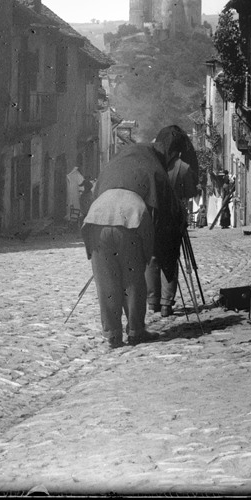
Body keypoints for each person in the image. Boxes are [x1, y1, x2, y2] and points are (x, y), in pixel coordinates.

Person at [80, 132, 185, 349]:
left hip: (95, 220)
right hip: (131, 221)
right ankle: (136, 331)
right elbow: (147, 244)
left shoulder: (114, 170)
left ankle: (112, 335)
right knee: (133, 283)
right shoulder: (145, 184)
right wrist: (145, 257)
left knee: (106, 283)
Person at [146, 125, 199, 317]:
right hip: (173, 220)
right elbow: (191, 193)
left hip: (153, 219)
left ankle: (153, 302)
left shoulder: (154, 165)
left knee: (152, 258)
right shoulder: (183, 168)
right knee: (170, 259)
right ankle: (167, 304)